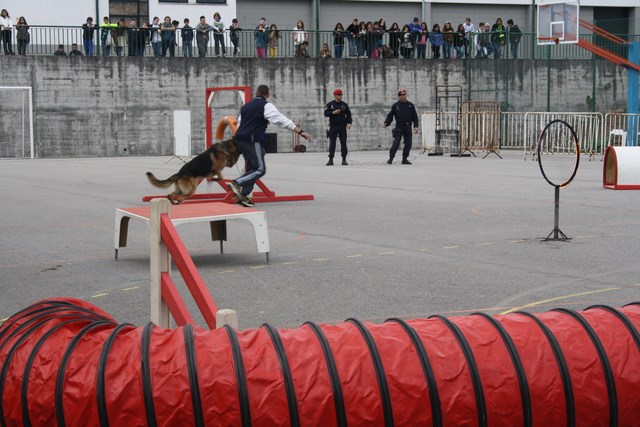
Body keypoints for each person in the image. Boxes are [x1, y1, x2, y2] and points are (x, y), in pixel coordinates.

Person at [227, 85, 312, 207]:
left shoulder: (245, 107)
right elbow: (281, 120)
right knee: (260, 169)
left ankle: (243, 195)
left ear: (256, 93)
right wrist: (300, 131)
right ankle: (237, 183)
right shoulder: (265, 105)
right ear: (267, 95)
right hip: (252, 140)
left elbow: (239, 123)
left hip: (241, 139)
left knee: (253, 166)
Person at [383, 88, 419, 165]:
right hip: (399, 126)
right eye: (400, 95)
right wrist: (386, 123)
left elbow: (414, 117)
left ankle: (404, 159)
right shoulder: (396, 106)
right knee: (396, 143)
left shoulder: (410, 105)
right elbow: (390, 115)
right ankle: (391, 158)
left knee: (408, 144)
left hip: (408, 127)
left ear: (406, 95)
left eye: (403, 94)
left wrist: (416, 126)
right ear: (399, 96)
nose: (402, 96)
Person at [324, 89, 352, 166]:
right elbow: (326, 113)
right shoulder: (330, 104)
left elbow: (349, 115)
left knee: (343, 143)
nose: (341, 96)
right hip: (333, 126)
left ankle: (344, 159)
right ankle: (331, 159)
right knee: (332, 143)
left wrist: (349, 123)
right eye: (339, 95)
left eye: (341, 95)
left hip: (342, 126)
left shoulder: (344, 105)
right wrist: (333, 112)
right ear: (335, 95)